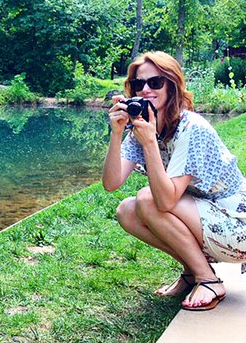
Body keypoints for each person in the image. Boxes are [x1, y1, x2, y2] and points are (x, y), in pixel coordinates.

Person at [102, 50, 246, 312]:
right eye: (138, 84)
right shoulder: (145, 126)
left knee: (148, 199)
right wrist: (116, 133)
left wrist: (149, 144)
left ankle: (208, 279)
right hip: (205, 216)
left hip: (238, 226)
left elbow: (165, 199)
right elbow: (111, 183)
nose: (146, 90)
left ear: (172, 86)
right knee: (127, 210)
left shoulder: (193, 128)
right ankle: (192, 273)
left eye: (155, 83)